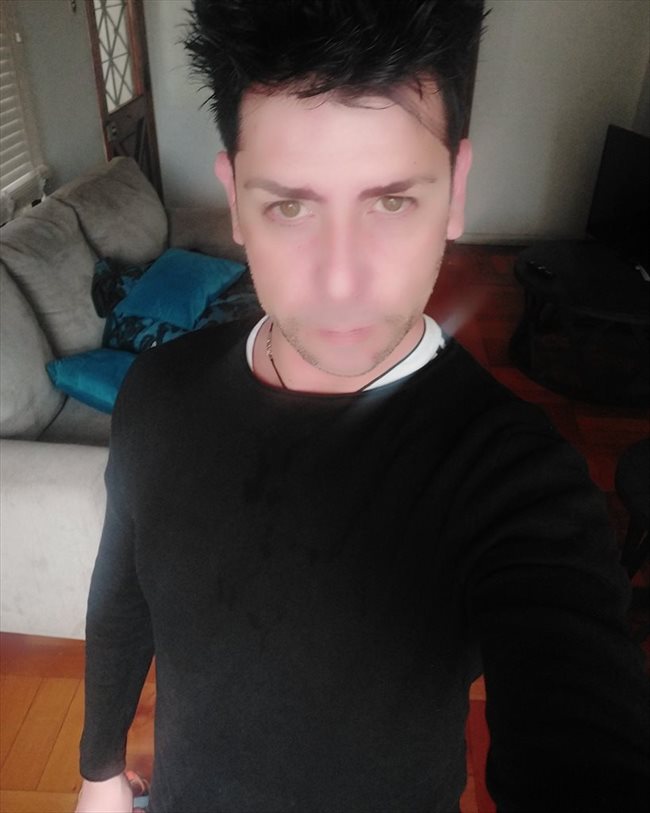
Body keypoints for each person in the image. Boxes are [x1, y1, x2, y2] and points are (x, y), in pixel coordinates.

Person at [75, 1, 649, 811]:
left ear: (455, 191)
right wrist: (99, 769)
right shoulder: (157, 394)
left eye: (391, 202)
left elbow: (584, 731)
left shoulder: (519, 481)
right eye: (290, 206)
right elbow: (122, 591)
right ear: (235, 200)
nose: (341, 280)